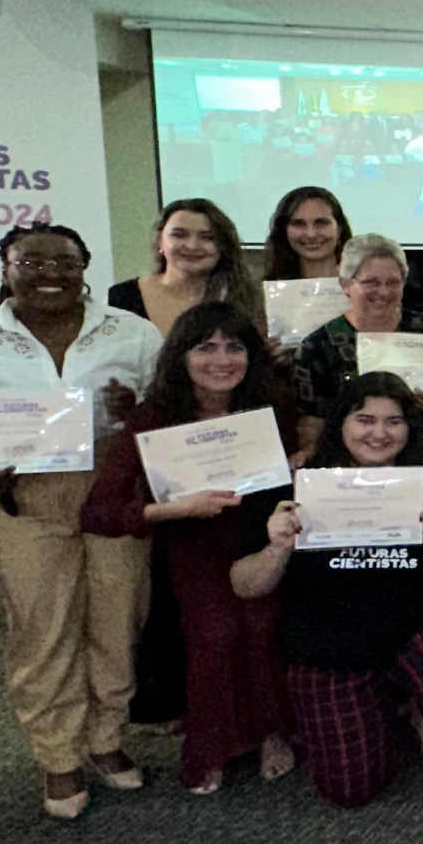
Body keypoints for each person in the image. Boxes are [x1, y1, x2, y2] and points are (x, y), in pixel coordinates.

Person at [0, 224, 160, 818]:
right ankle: (58, 755)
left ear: (85, 266)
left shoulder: (132, 333)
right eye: (31, 262)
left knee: (118, 619)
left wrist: (135, 412)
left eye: (66, 262)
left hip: (112, 487)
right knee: (41, 626)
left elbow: (166, 413)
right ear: (5, 266)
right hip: (21, 500)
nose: (50, 273)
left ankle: (105, 737)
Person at [230, 374, 423, 808]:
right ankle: (390, 706)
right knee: (350, 790)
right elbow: (245, 585)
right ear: (340, 424)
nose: (379, 433)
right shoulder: (297, 484)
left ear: (409, 428)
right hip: (328, 641)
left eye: (394, 421)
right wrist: (276, 549)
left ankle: (408, 698)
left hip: (413, 618)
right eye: (365, 420)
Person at [81, 302, 299, 794]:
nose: (222, 360)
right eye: (206, 347)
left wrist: (297, 465)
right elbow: (97, 513)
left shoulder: (269, 406)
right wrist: (175, 509)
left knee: (263, 622)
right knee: (217, 631)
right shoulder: (154, 417)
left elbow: (286, 472)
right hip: (195, 544)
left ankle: (273, 730)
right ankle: (213, 745)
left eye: (235, 347)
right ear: (180, 355)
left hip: (262, 535)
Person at [294, 232, 423, 461]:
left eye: (393, 282)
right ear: (345, 285)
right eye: (371, 282)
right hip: (352, 470)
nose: (383, 291)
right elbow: (312, 420)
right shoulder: (318, 346)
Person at [109, 197, 261, 335]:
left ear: (223, 246)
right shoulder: (120, 298)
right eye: (179, 235)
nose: (192, 246)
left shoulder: (249, 299)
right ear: (160, 240)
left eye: (207, 238)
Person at [261, 186, 352, 283]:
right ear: (284, 230)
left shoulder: (359, 284)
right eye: (299, 224)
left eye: (321, 223)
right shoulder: (270, 288)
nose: (311, 234)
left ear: (339, 228)